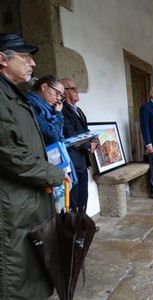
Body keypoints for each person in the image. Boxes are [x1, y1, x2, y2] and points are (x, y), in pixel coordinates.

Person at [0, 32, 66, 298]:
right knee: (15, 274)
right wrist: (52, 174)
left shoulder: (13, 95)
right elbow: (8, 152)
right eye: (25, 57)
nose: (33, 63)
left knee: (32, 267)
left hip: (27, 200)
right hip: (12, 204)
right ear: (2, 59)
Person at [27, 75, 77, 211]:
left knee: (62, 207)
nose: (58, 99)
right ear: (44, 87)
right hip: (44, 165)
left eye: (61, 96)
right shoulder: (31, 105)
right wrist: (58, 114)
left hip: (55, 162)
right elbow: (52, 135)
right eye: (57, 93)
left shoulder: (48, 108)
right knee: (54, 213)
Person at [61, 78, 97, 212]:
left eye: (76, 88)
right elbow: (71, 134)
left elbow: (86, 131)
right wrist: (88, 146)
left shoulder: (78, 110)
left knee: (83, 197)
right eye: (73, 88)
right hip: (72, 162)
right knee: (73, 201)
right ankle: (74, 230)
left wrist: (94, 141)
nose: (77, 91)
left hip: (82, 161)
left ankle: (83, 227)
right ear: (63, 92)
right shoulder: (62, 110)